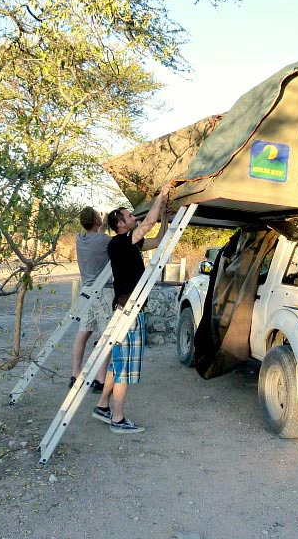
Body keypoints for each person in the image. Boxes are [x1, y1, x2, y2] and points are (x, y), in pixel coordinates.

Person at [92, 184, 172, 434]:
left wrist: (167, 220)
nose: (134, 218)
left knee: (117, 365)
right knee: (125, 368)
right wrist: (161, 196)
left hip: (124, 311)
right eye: (129, 216)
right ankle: (118, 419)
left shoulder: (131, 244)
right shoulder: (119, 243)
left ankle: (103, 406)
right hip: (129, 312)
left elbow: (158, 240)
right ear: (121, 226)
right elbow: (147, 224)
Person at [71, 207, 114, 393]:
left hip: (86, 291)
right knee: (108, 336)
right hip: (103, 291)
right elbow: (106, 241)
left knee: (84, 331)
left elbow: (96, 236)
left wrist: (101, 224)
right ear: (96, 221)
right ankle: (100, 378)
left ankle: (75, 374)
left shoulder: (79, 239)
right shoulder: (105, 240)